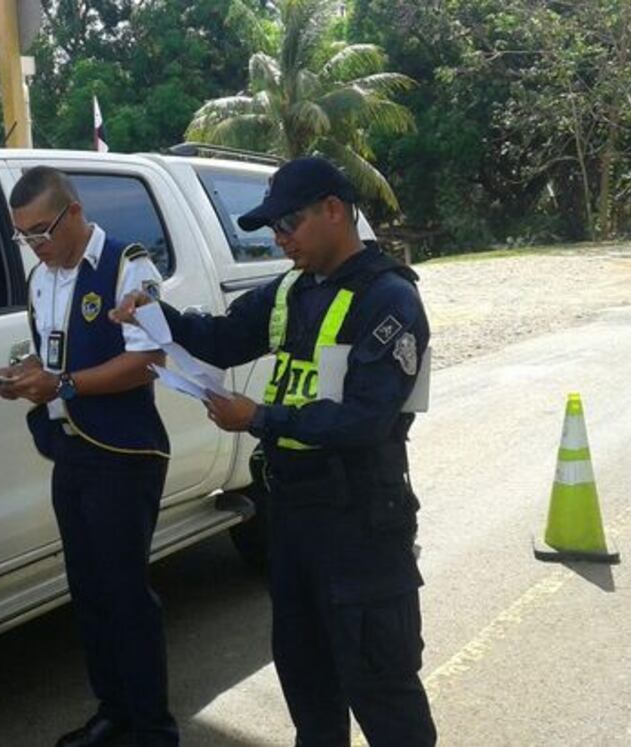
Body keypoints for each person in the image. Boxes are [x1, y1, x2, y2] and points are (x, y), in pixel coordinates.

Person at [112, 157, 437, 747]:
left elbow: (366, 419)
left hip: (360, 521)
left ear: (334, 211)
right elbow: (223, 338)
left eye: (289, 223)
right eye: (273, 229)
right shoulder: (291, 288)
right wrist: (156, 315)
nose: (279, 238)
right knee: (308, 682)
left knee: (382, 687)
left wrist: (257, 417)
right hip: (291, 517)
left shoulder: (388, 299)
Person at [0, 166, 177, 747]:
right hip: (69, 450)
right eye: (23, 237)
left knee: (126, 596)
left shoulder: (127, 265)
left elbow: (149, 360)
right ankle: (113, 711)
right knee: (89, 593)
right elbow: (53, 356)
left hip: (122, 453)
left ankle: (152, 728)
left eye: (40, 232)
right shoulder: (41, 278)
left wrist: (63, 384)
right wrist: (25, 378)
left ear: (73, 213)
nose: (34, 247)